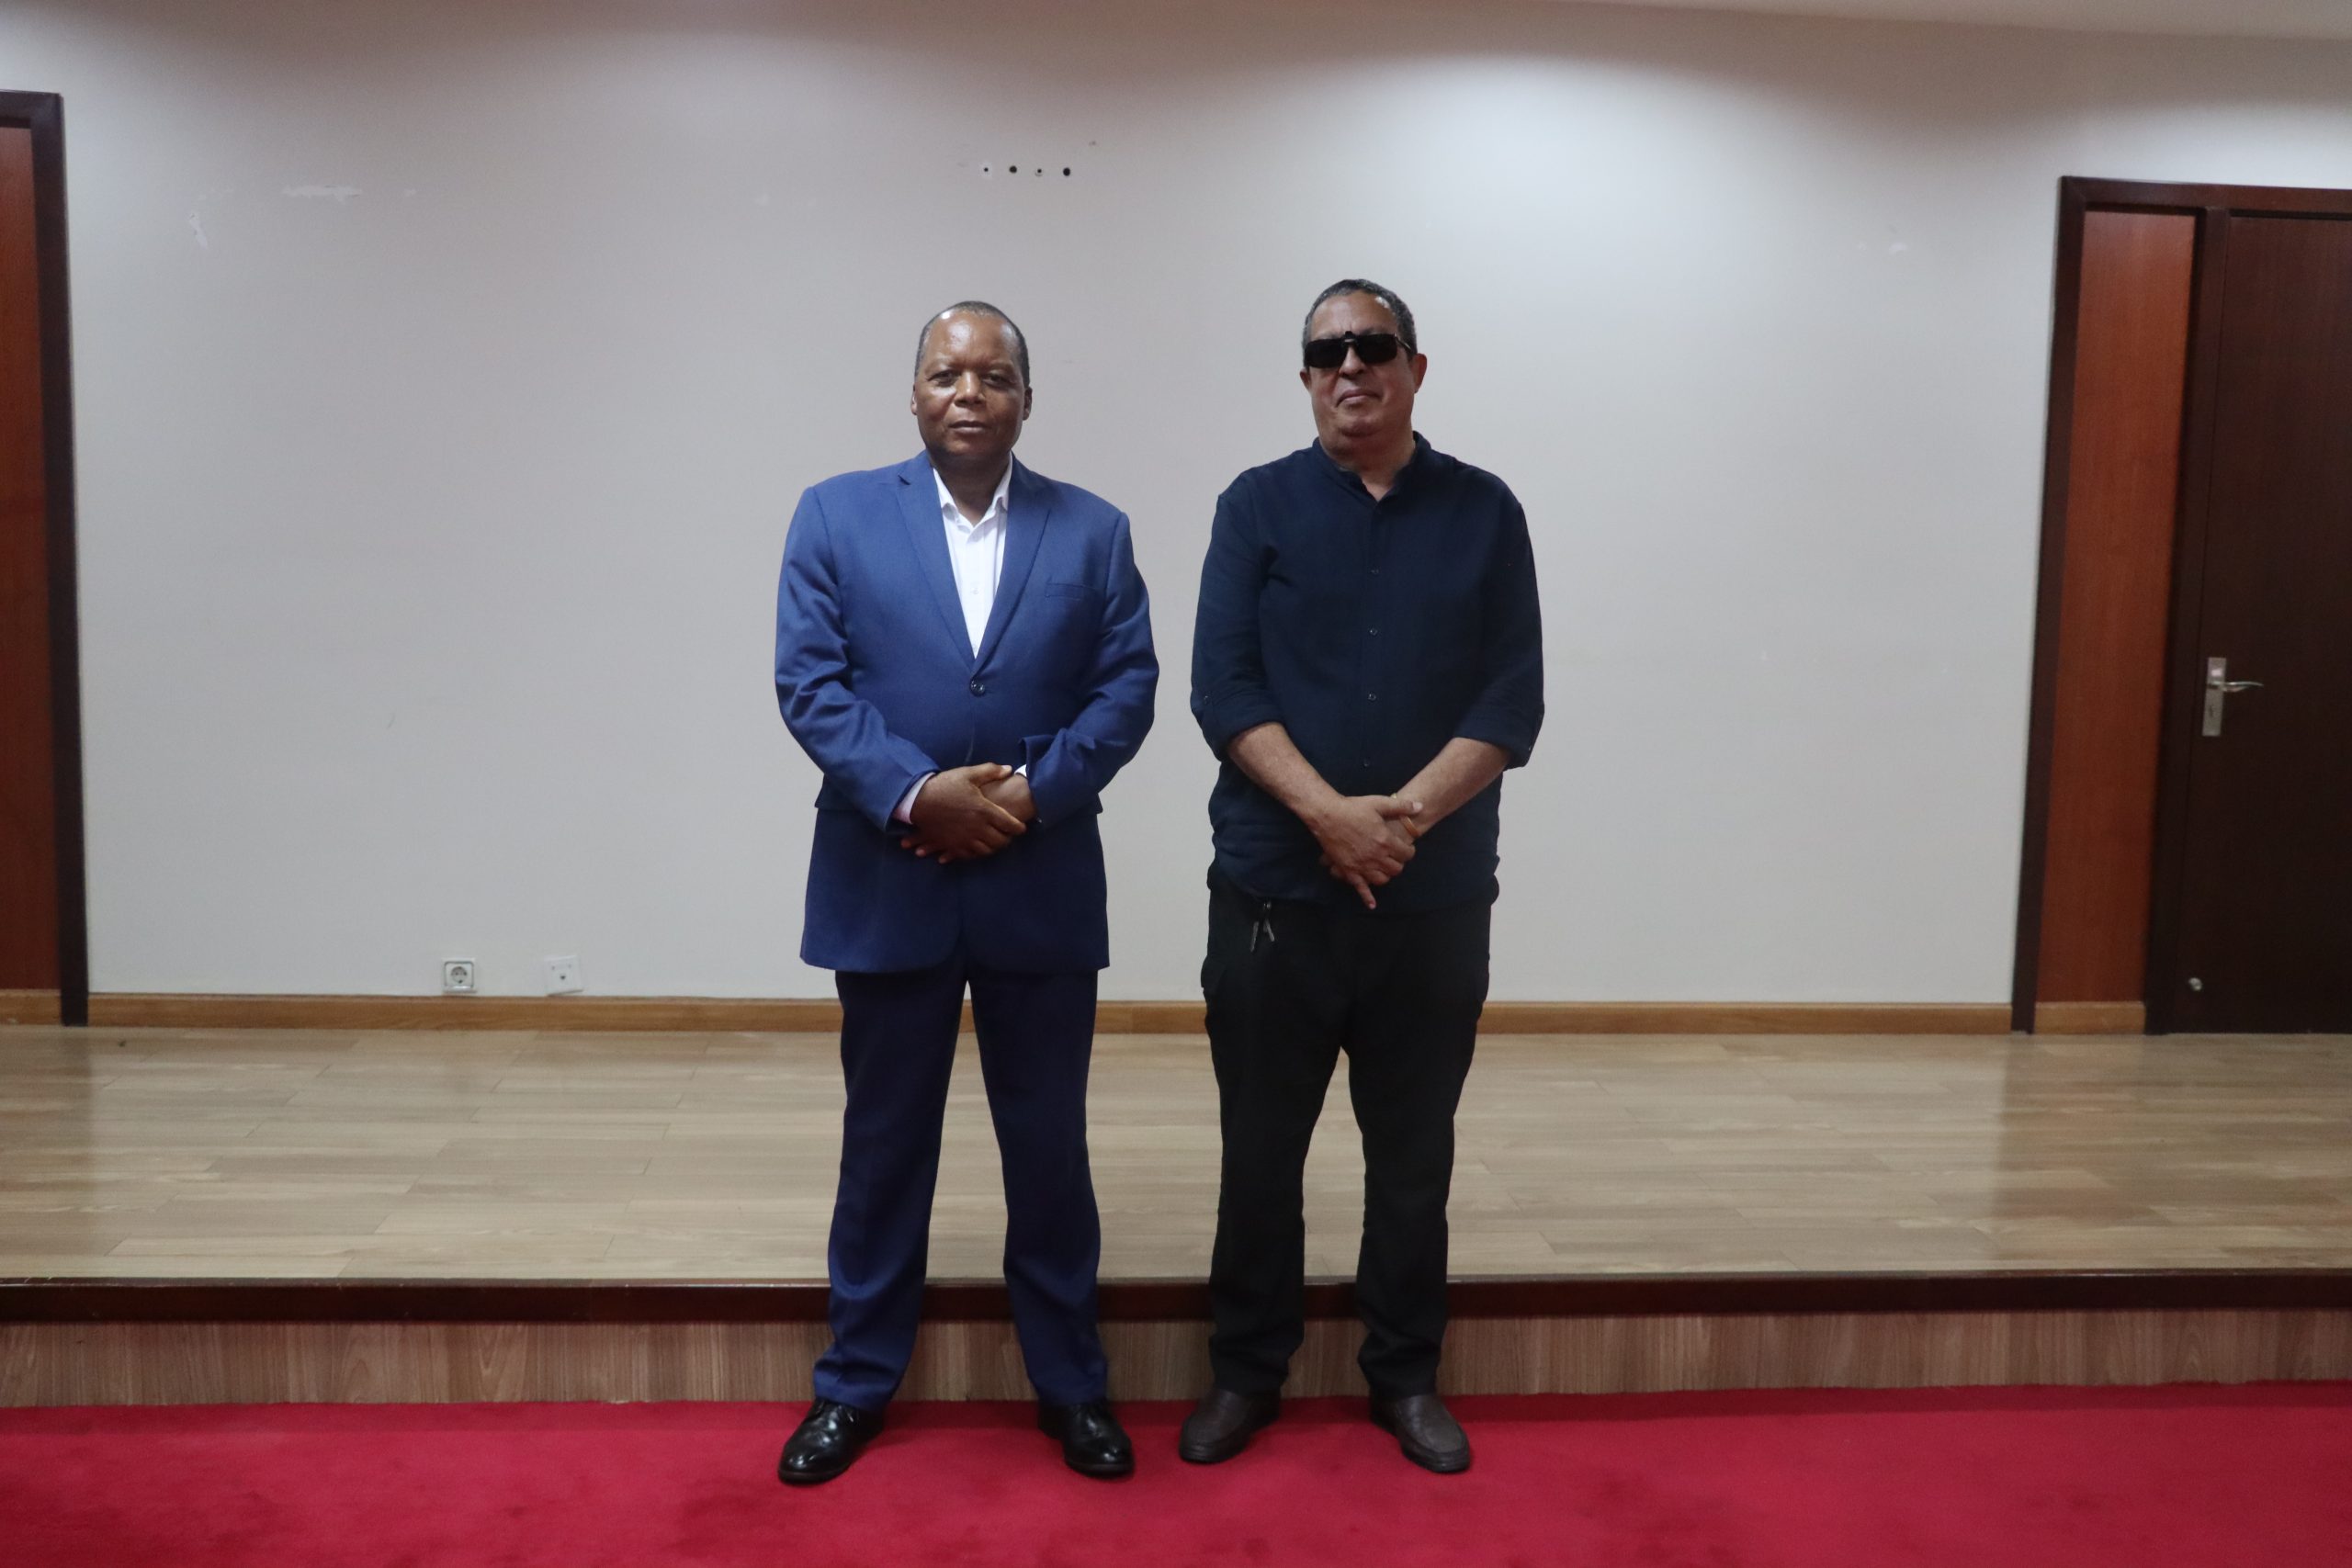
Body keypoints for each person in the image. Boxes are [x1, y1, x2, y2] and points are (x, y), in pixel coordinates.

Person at [772, 301, 1157, 1483]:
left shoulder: (1092, 530)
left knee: (1048, 1150)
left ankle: (1072, 1387)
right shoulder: (834, 514)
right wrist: (915, 794)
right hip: (887, 880)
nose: (969, 394)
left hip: (1038, 882)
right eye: (947, 374)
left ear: (1026, 399)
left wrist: (1027, 797)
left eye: (994, 376)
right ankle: (854, 1384)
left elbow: (1127, 687)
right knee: (884, 1146)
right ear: (914, 395)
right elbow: (810, 681)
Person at [1182, 278, 1544, 1473]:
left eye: (1373, 346)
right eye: (1328, 351)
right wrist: (1330, 818)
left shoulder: (1485, 512)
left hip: (1430, 905)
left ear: (1415, 368)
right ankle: (1247, 1370)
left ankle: (1404, 1373)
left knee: (1414, 1154)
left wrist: (1402, 821)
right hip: (1273, 899)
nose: (1351, 367)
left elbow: (1511, 700)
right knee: (1259, 1153)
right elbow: (1223, 689)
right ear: (1305, 377)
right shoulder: (1256, 506)